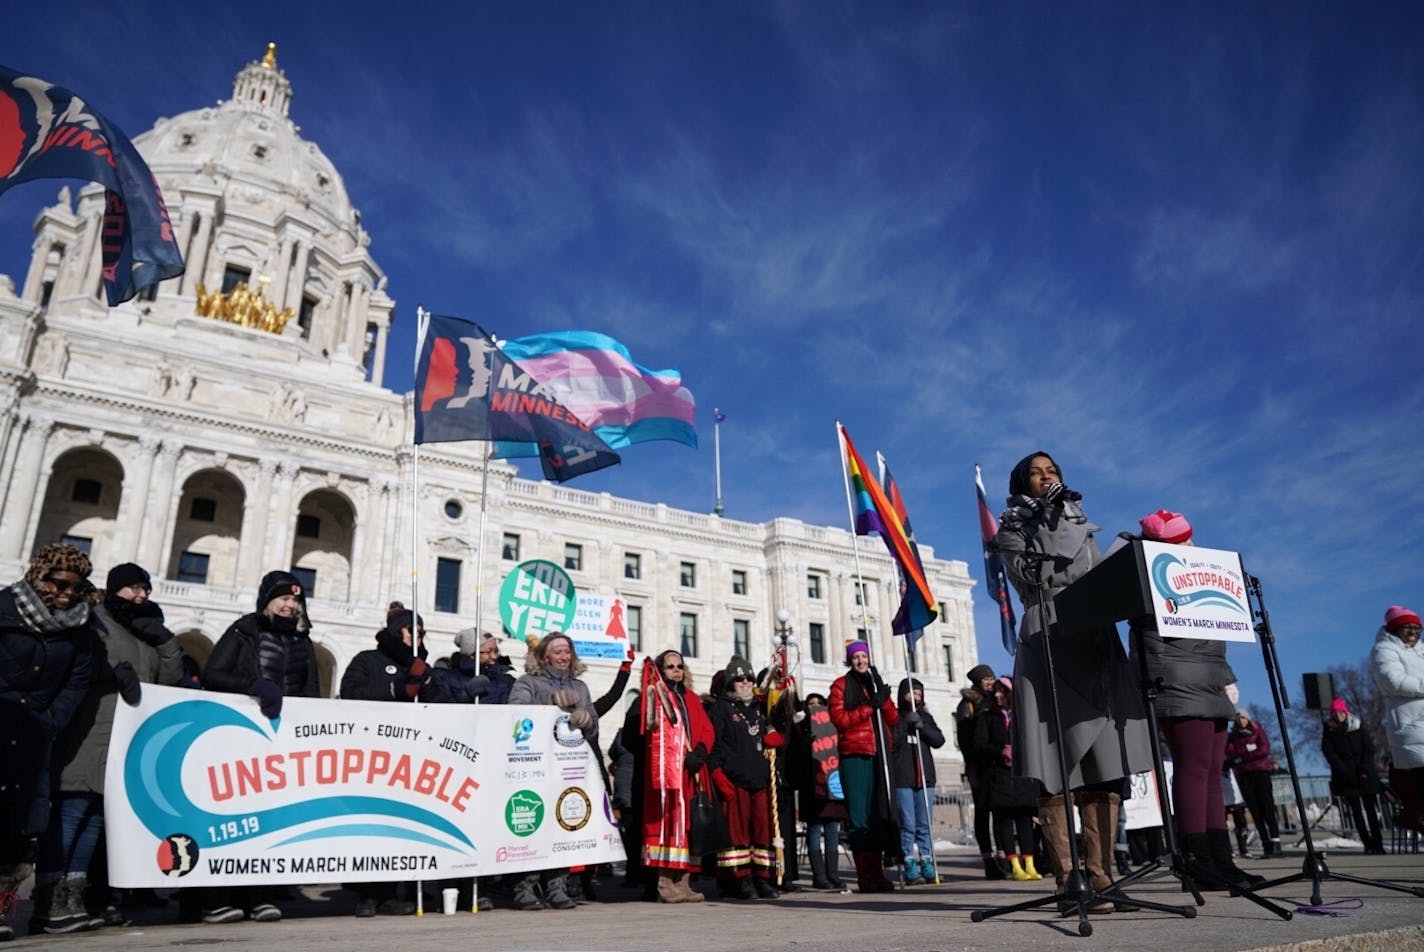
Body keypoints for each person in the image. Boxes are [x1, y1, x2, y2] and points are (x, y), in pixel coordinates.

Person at [993, 452, 1152, 911]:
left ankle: (1102, 875)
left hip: (1094, 639)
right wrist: (1051, 517)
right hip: (1049, 638)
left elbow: (1094, 573)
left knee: (1105, 763)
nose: (1048, 478)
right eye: (1038, 474)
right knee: (1054, 764)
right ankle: (1068, 881)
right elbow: (1039, 575)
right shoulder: (1013, 528)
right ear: (1023, 484)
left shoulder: (1082, 520)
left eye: (1053, 472)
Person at [34, 563, 183, 934]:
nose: (141, 595)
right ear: (114, 589)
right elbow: (76, 659)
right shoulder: (93, 619)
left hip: (124, 740)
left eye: (145, 589)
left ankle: (73, 897)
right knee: (71, 813)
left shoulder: (145, 632)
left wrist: (165, 642)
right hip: (87, 731)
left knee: (96, 819)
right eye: (133, 588)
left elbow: (169, 680)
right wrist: (112, 669)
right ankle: (48, 900)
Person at [1118, 510, 1260, 890]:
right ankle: (1197, 858)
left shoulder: (1198, 570)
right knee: (1194, 769)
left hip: (1209, 677)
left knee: (1212, 772)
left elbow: (1213, 633)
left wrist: (1227, 677)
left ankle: (1220, 859)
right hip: (1178, 679)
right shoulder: (1149, 573)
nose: (1190, 544)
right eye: (1182, 539)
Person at [199, 570, 321, 924]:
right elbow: (212, 674)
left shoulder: (304, 641)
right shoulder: (244, 631)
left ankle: (260, 895)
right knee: (232, 819)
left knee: (272, 818)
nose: (290, 605)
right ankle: (215, 898)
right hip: (239, 739)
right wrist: (253, 684)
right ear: (268, 600)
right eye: (284, 598)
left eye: (296, 600)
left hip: (282, 741)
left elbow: (310, 690)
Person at [0, 543, 97, 942]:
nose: (68, 594)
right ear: (39, 576)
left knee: (18, 826)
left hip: (34, 735)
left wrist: (50, 720)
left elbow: (77, 681)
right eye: (60, 584)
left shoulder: (81, 630)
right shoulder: (4, 610)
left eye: (77, 587)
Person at [338, 602, 436, 916]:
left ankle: (399, 889)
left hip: (413, 758)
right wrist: (396, 689)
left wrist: (431, 686)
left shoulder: (423, 666)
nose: (417, 638)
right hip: (374, 756)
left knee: (405, 824)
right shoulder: (368, 660)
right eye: (412, 632)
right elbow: (350, 694)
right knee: (374, 825)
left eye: (421, 633)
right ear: (397, 632)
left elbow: (443, 706)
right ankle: (368, 893)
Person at [507, 632, 598, 911]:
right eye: (558, 651)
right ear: (544, 655)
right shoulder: (528, 682)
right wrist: (550, 706)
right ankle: (525, 886)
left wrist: (585, 719)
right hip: (534, 766)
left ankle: (556, 885)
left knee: (563, 825)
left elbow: (593, 725)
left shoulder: (580, 687)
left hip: (569, 768)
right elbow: (515, 714)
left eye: (567, 651)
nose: (563, 656)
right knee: (531, 824)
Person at [622, 650, 714, 903]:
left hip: (691, 770)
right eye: (670, 666)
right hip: (666, 772)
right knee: (667, 824)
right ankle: (664, 881)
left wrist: (701, 750)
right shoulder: (654, 699)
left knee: (687, 826)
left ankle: (683, 880)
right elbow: (638, 733)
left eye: (679, 666)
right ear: (661, 670)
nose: (676, 670)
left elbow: (707, 728)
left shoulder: (692, 698)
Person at [708, 655, 781, 900]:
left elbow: (768, 729)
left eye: (749, 678)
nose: (746, 682)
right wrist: (717, 773)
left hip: (758, 779)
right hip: (734, 779)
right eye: (740, 679)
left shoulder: (758, 708)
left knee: (761, 832)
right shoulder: (721, 708)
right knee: (737, 835)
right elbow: (713, 745)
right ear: (731, 683)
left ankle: (763, 878)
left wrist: (772, 735)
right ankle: (740, 880)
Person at [828, 640, 898, 893]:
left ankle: (878, 873)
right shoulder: (840, 686)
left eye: (863, 656)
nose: (860, 661)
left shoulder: (874, 684)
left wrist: (883, 697)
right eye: (855, 657)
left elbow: (892, 719)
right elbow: (840, 719)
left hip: (878, 754)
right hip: (855, 755)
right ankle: (865, 875)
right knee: (859, 818)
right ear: (849, 660)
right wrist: (870, 706)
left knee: (877, 815)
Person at [973, 677, 1042, 881]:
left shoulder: (1022, 717)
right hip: (999, 776)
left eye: (1001, 691)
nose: (997, 695)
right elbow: (979, 745)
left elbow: (1034, 740)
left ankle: (1029, 863)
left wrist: (1019, 752)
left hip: (1021, 775)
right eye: (995, 691)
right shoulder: (987, 718)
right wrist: (1000, 751)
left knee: (1025, 819)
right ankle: (1014, 865)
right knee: (1004, 820)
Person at [1370, 605, 1424, 833]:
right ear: (1394, 630)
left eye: (1417, 629)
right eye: (1407, 628)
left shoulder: (1421, 651)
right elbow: (1392, 680)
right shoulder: (1384, 650)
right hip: (1412, 729)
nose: (1413, 633)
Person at [891, 677, 944, 885]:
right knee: (909, 824)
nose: (916, 697)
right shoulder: (896, 717)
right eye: (912, 692)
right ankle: (909, 860)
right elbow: (892, 740)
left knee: (924, 824)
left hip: (924, 778)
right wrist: (906, 723)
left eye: (919, 693)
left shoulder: (926, 717)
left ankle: (927, 859)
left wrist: (922, 727)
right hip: (904, 777)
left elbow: (939, 740)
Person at [956, 663, 1005, 879]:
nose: (990, 680)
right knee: (983, 812)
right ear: (977, 681)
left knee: (1001, 811)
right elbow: (964, 737)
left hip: (997, 765)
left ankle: (1004, 856)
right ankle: (988, 859)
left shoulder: (996, 700)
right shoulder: (968, 703)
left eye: (991, 677)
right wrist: (971, 763)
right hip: (978, 765)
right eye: (985, 678)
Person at [795, 692, 848, 891]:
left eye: (819, 703)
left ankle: (832, 873)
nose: (815, 707)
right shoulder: (800, 729)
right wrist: (804, 743)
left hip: (832, 785)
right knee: (815, 830)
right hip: (811, 788)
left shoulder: (832, 727)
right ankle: (819, 875)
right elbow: (796, 758)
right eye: (811, 704)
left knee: (833, 829)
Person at [1321, 698, 1384, 854]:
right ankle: (1367, 844)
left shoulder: (1358, 725)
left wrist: (1364, 768)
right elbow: (1328, 751)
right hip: (1345, 776)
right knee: (1356, 812)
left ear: (1345, 712)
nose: (1337, 715)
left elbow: (1369, 748)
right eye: (1334, 712)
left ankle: (1378, 844)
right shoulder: (1329, 729)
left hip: (1365, 774)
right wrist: (1342, 769)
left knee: (1371, 811)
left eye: (1340, 712)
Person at [1225, 710, 1281, 858]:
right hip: (1244, 776)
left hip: (1261, 773)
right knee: (1255, 811)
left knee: (1267, 807)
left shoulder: (1257, 731)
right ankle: (1266, 844)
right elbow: (1231, 754)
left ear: (1248, 719)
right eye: (1238, 718)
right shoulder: (1233, 737)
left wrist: (1242, 758)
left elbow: (1263, 750)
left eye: (1243, 717)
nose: (1241, 720)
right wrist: (1246, 755)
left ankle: (1276, 842)